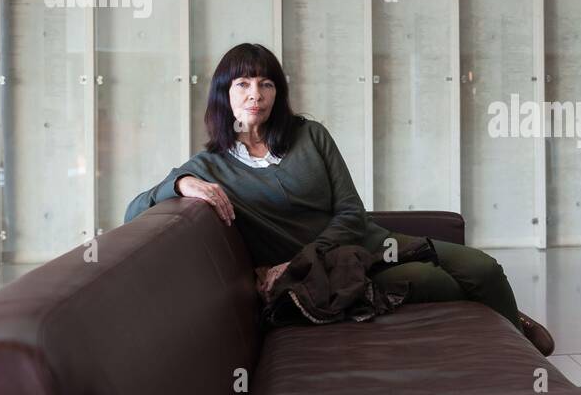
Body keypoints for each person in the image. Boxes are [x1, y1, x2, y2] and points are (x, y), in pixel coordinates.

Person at [124, 42, 554, 356]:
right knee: (436, 282)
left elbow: (351, 209)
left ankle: (515, 336)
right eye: (242, 83)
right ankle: (512, 348)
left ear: (278, 92)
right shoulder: (212, 166)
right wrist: (179, 183)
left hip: (365, 242)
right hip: (321, 277)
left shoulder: (310, 135)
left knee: (482, 265)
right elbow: (133, 211)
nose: (255, 93)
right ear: (224, 94)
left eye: (266, 83)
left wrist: (306, 253)